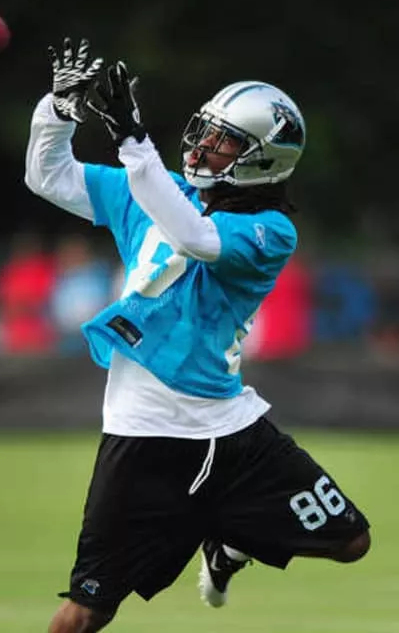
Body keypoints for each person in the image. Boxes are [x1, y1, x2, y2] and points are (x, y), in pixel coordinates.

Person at [25, 38, 370, 633]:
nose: (204, 146)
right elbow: (46, 176)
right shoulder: (157, 189)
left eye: (225, 140)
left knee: (351, 540)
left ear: (263, 159)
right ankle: (228, 528)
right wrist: (57, 112)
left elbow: (196, 238)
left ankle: (231, 537)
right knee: (85, 612)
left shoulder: (271, 230)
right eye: (206, 132)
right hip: (145, 431)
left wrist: (134, 143)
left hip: (231, 425)